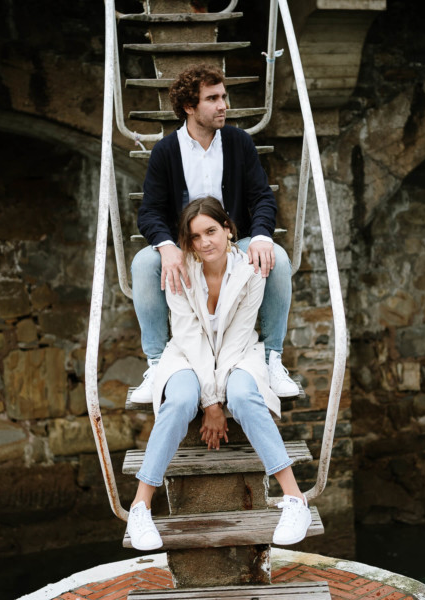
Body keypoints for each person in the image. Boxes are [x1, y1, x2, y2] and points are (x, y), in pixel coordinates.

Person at [125, 198, 312, 551]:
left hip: (238, 352)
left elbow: (238, 336)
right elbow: (188, 335)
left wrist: (218, 397)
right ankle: (140, 506)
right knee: (180, 399)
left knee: (243, 395)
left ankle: (295, 499)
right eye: (195, 237)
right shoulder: (179, 270)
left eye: (211, 231)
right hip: (187, 353)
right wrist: (211, 403)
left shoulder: (251, 271)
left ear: (228, 229)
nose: (205, 242)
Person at [129, 63, 299, 403]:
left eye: (223, 96)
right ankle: (157, 364)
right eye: (213, 99)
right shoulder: (166, 151)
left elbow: (262, 197)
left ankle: (272, 360)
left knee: (277, 259)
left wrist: (261, 236)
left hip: (233, 242)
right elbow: (149, 211)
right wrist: (166, 246)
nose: (224, 105)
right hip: (185, 245)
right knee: (143, 264)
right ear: (189, 107)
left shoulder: (239, 142)